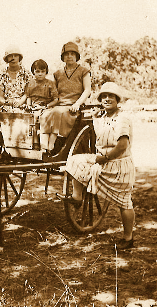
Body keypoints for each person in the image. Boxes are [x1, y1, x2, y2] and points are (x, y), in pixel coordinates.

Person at [63, 82, 135, 250]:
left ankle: (128, 237)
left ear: (118, 100)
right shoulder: (102, 118)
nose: (107, 99)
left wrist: (104, 158)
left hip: (118, 165)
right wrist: (95, 117)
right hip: (103, 161)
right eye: (104, 96)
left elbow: (122, 146)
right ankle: (77, 196)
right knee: (74, 160)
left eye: (111, 96)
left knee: (125, 202)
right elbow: (98, 131)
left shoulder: (122, 119)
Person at [39, 41, 91, 152]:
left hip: (73, 108)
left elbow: (87, 90)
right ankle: (44, 146)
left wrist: (77, 104)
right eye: (67, 54)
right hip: (59, 106)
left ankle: (51, 147)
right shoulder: (58, 73)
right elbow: (54, 93)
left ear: (76, 56)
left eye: (72, 54)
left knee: (57, 112)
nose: (69, 56)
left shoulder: (83, 71)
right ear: (63, 57)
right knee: (44, 114)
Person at [14, 59, 58, 148]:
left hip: (47, 107)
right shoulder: (30, 83)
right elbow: (28, 96)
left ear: (46, 72)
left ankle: (45, 146)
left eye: (42, 71)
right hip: (34, 108)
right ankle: (33, 144)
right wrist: (29, 106)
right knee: (29, 119)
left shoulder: (50, 83)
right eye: (37, 71)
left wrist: (46, 106)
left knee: (46, 117)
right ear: (33, 72)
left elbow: (56, 99)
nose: (40, 74)